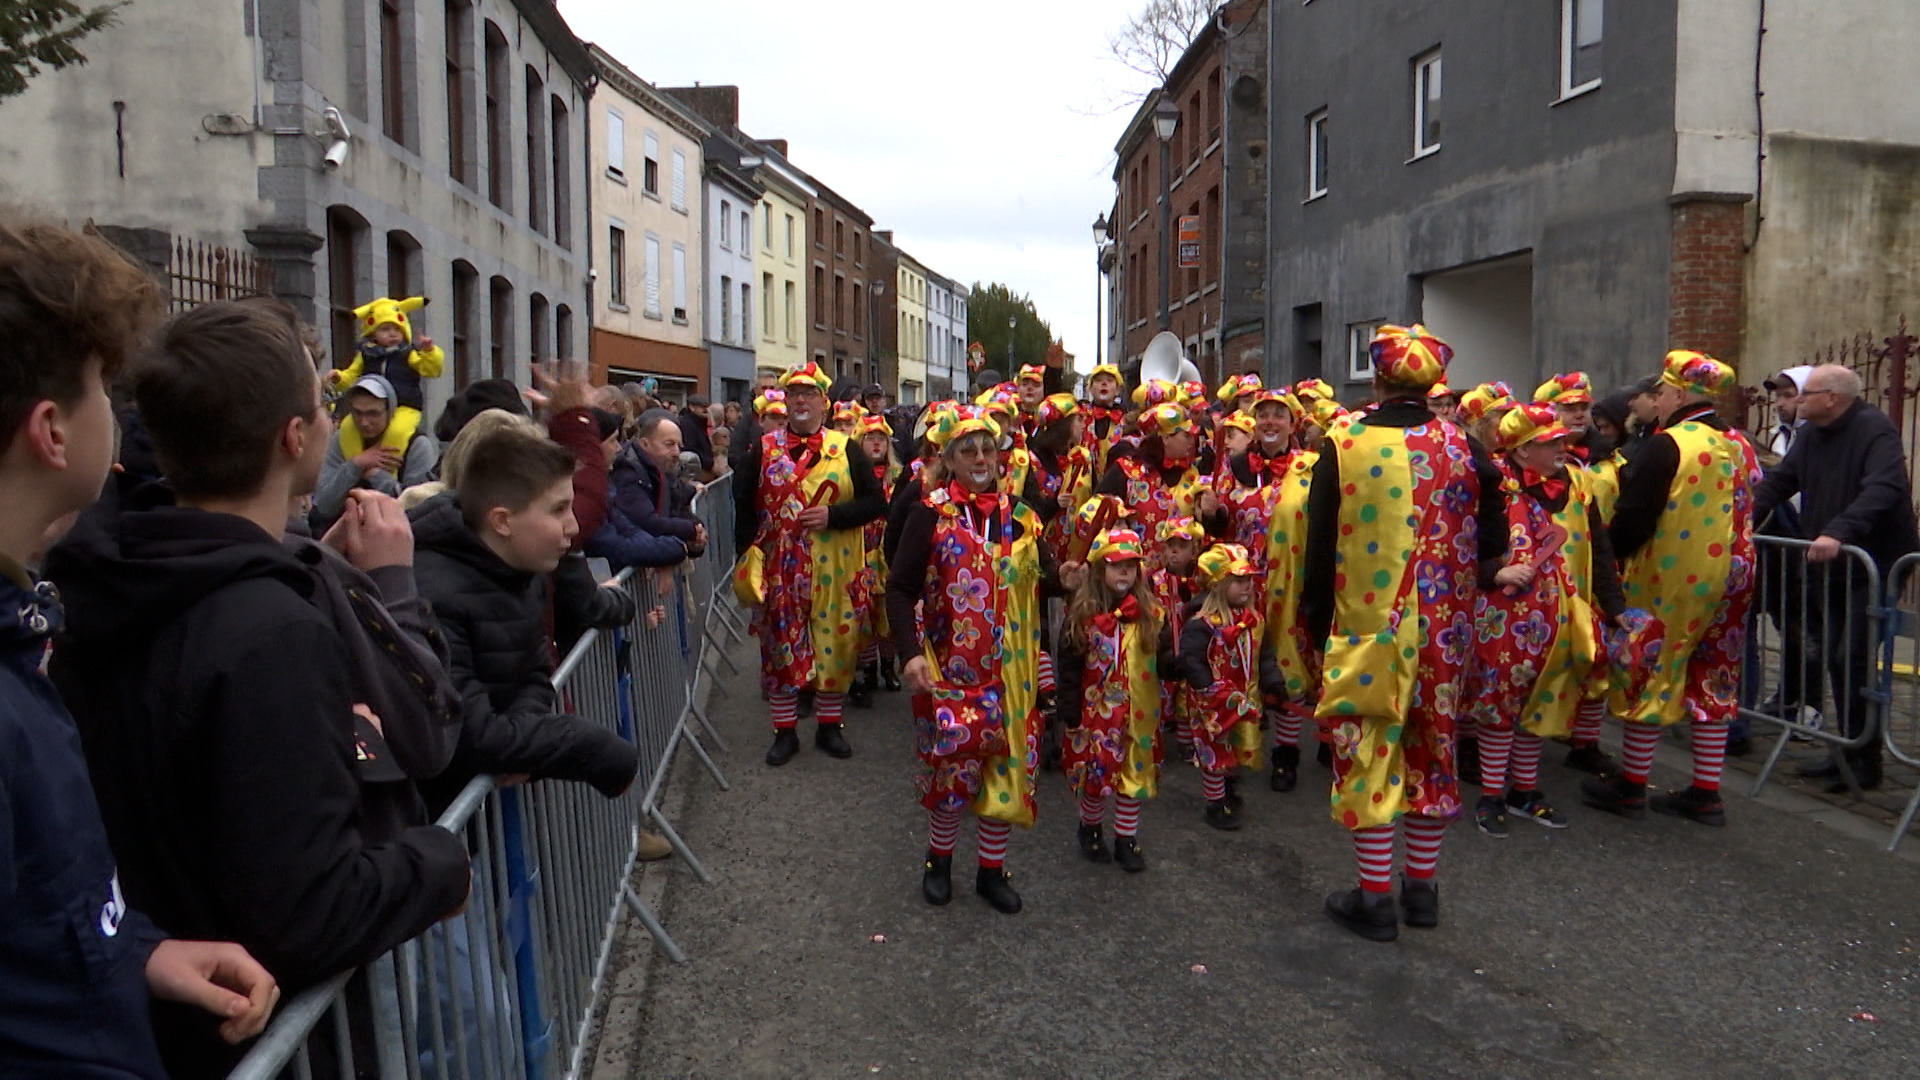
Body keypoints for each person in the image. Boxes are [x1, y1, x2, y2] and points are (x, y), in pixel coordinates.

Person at [46, 299, 469, 1074]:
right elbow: (307, 909)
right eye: (321, 401)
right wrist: (438, 859)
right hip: (270, 1035)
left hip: (165, 1021)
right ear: (295, 437)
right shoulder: (271, 627)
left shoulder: (106, 580)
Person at [0, 218, 281, 1078]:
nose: (116, 417)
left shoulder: (20, 632)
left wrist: (135, 951)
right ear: (54, 430)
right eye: (100, 387)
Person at [1302, 325, 1506, 942]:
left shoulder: (1344, 442)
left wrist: (1314, 624)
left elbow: (1318, 544)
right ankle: (1421, 890)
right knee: (1433, 747)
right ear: (1432, 381)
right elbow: (1494, 544)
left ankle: (1374, 899)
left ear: (1379, 377)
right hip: (1444, 631)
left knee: (1369, 748)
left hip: (1368, 626)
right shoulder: (1465, 447)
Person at [887, 406, 1077, 913]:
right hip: (952, 667)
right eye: (966, 449)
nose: (979, 457)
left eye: (987, 448)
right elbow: (900, 588)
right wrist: (908, 654)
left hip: (1012, 670)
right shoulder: (929, 512)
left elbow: (1042, 582)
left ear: (999, 455)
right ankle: (939, 862)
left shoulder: (1021, 516)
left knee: (1008, 770)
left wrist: (1069, 579)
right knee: (952, 768)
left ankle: (992, 872)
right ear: (948, 458)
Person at [409, 426, 642, 806]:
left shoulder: (523, 567)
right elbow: (470, 734)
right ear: (501, 521)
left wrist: (518, 746)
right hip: (436, 823)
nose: (574, 525)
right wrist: (591, 747)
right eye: (557, 509)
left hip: (482, 812)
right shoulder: (431, 594)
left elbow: (535, 672)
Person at [1585, 351, 1759, 825]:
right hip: (1735, 574)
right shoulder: (1738, 443)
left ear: (1678, 394)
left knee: (1651, 666)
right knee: (1715, 673)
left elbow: (1636, 515)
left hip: (1676, 574)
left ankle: (1632, 784)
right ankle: (1706, 792)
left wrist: (1610, 554)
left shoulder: (1669, 445)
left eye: (1660, 393)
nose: (1656, 401)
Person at [1753, 364, 1920, 793]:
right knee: (1834, 656)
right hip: (1828, 564)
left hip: (1872, 561)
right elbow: (1780, 481)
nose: (1799, 400)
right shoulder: (1809, 435)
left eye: (1807, 393)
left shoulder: (1873, 430)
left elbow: (1883, 488)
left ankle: (1866, 762)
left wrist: (1839, 531)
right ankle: (1845, 748)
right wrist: (1738, 520)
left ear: (1833, 397)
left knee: (1853, 657)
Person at [1469, 404, 1624, 835]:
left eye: (1562, 440)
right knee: (1499, 704)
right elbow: (1462, 543)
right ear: (1521, 452)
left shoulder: (1577, 484)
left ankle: (1525, 790)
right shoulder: (1493, 485)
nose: (1562, 446)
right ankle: (1491, 793)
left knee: (1544, 700)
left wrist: (1615, 607)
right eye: (1549, 441)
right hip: (1503, 614)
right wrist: (1493, 572)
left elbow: (1601, 548)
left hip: (1563, 612)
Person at [733, 361, 887, 765]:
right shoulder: (764, 449)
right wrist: (746, 564)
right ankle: (784, 733)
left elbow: (876, 502)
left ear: (824, 402)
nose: (801, 401)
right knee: (781, 648)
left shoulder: (845, 447)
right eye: (794, 394)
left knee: (834, 646)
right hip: (780, 569)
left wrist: (834, 516)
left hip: (835, 569)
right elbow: (743, 506)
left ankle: (828, 727)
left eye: (809, 394)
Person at [1057, 527, 1166, 872]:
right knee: (1096, 774)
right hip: (1097, 714)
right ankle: (1089, 827)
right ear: (1100, 569)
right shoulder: (1083, 616)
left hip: (1138, 709)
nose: (1125, 573)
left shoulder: (1150, 613)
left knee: (1134, 771)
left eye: (1131, 567)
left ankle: (1126, 836)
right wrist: (1069, 707)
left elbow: (1161, 658)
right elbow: (1070, 663)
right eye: (1117, 566)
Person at [1179, 543, 1274, 832]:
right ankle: (1215, 802)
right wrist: (1207, 687)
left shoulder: (1253, 621)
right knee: (1214, 750)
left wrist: (1274, 682)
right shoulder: (1203, 624)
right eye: (1239, 581)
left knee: (1238, 744)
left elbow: (1264, 656)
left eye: (1249, 580)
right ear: (1219, 585)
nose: (1247, 586)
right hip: (1213, 701)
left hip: (1243, 696)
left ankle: (1229, 788)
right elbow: (1190, 658)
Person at [314, 373, 441, 527]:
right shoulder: (340, 441)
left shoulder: (417, 445)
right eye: (357, 413)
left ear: (390, 411)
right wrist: (356, 465)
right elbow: (323, 505)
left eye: (373, 414)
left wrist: (375, 475)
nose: (364, 422)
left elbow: (419, 510)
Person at [324, 295, 444, 453]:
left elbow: (430, 369)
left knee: (397, 433)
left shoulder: (407, 353)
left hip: (405, 405)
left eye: (397, 329)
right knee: (347, 429)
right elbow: (351, 374)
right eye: (385, 329)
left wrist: (430, 352)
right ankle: (356, 466)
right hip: (372, 406)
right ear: (373, 333)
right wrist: (338, 377)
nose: (393, 334)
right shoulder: (366, 354)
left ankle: (387, 469)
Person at [612, 408, 707, 557]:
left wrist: (696, 533)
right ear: (645, 444)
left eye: (679, 446)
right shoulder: (629, 472)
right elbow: (647, 522)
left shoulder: (660, 471)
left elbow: (676, 504)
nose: (676, 453)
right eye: (669, 444)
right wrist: (691, 529)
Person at [677, 395, 715, 472]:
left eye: (707, 407)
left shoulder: (700, 423)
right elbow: (690, 449)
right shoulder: (687, 425)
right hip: (697, 470)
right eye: (703, 407)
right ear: (692, 408)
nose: (706, 410)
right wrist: (710, 463)